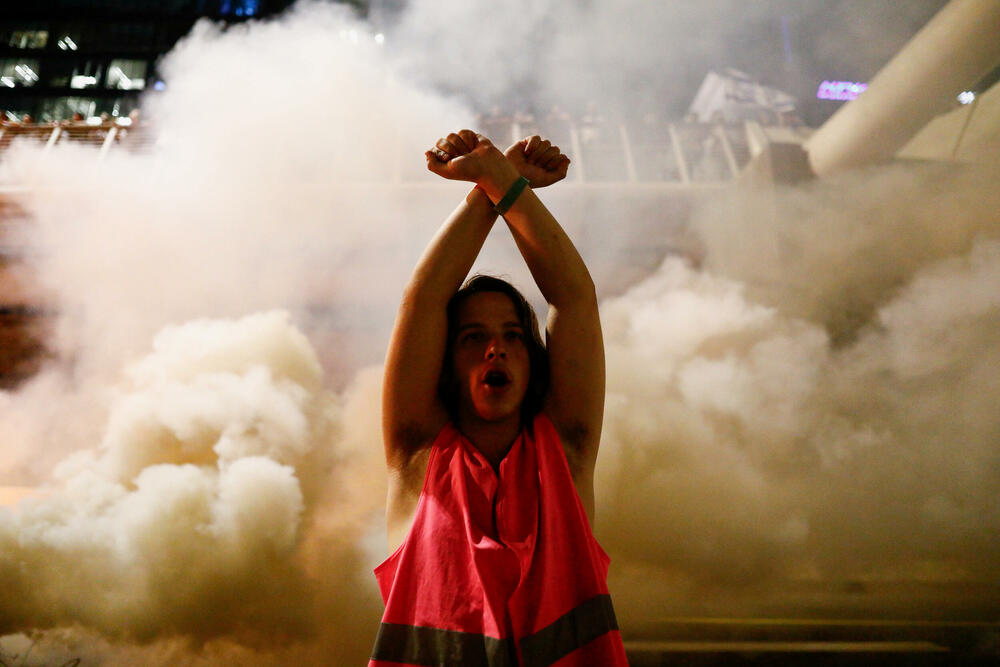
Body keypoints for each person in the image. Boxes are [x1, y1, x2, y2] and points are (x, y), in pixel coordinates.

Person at [370, 130, 628, 666]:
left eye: (514, 335)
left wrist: (503, 184)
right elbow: (423, 300)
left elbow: (574, 297)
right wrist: (490, 185)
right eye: (473, 338)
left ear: (534, 359)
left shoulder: (568, 452)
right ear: (445, 362)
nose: (496, 349)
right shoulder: (419, 458)